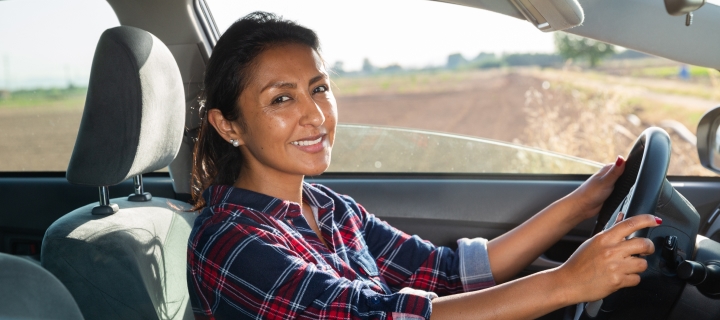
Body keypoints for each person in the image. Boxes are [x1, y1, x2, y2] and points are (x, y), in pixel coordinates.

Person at [187, 12, 660, 320]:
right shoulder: (228, 242)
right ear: (229, 125)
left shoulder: (331, 209)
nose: (315, 114)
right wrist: (565, 283)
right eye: (282, 98)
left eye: (319, 88)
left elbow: (449, 273)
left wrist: (580, 204)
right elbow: (373, 316)